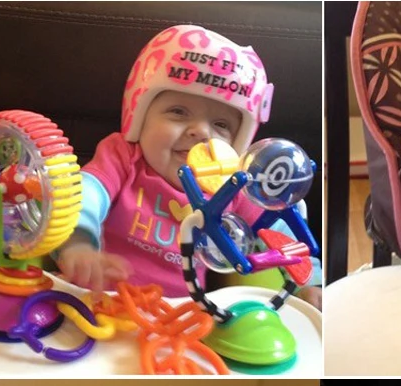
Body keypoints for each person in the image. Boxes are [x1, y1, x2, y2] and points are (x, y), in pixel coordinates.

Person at [55, 24, 322, 309]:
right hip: (97, 302)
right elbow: (85, 194)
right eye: (178, 112)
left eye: (221, 124)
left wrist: (311, 284)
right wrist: (78, 244)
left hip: (183, 317)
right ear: (139, 114)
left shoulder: (234, 185)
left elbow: (279, 227)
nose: (201, 132)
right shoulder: (122, 156)